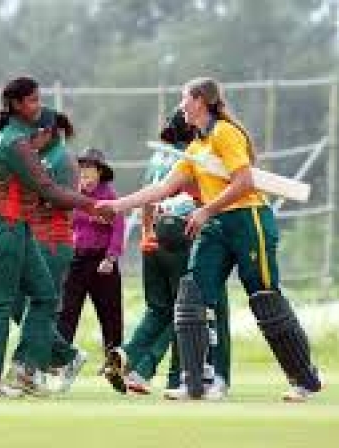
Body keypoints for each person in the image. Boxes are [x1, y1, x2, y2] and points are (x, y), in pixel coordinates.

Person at [94, 77, 322, 402]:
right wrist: (117, 206)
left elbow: (244, 182)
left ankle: (304, 379)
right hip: (216, 225)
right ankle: (194, 383)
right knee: (191, 297)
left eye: (184, 98)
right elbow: (162, 189)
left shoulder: (225, 133)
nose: (181, 106)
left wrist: (206, 210)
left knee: (265, 299)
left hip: (249, 220)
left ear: (200, 100)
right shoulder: (195, 148)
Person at [0, 76, 99, 397]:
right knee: (1, 300)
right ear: (15, 105)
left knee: (44, 295)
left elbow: (47, 191)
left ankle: (25, 368)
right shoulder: (15, 142)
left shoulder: (20, 141)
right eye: (32, 100)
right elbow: (47, 189)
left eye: (38, 99)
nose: (38, 106)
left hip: (19, 227)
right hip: (4, 224)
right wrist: (92, 205)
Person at [104, 109, 231, 399]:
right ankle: (182, 377)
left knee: (160, 310)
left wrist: (147, 234)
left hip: (155, 240)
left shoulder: (158, 157)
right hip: (185, 239)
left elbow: (149, 198)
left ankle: (131, 360)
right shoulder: (194, 157)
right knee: (190, 311)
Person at [7, 107, 88, 394]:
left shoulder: (62, 158)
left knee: (39, 306)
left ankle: (31, 368)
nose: (28, 136)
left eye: (33, 131)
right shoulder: (35, 155)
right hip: (31, 237)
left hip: (53, 241)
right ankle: (67, 356)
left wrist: (32, 198)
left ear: (48, 131)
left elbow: (67, 201)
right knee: (16, 303)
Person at [58, 148, 124, 376]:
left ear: (100, 172)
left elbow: (118, 228)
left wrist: (111, 257)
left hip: (102, 261)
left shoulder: (109, 196)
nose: (84, 174)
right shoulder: (74, 194)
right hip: (76, 259)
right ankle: (61, 359)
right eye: (82, 169)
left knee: (110, 313)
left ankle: (113, 363)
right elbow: (68, 222)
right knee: (67, 310)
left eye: (89, 169)